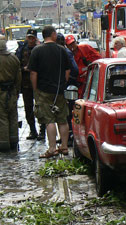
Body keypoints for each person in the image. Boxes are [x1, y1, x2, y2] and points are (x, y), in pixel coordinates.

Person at [28, 26, 71, 158]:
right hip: (59, 90)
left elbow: (33, 73)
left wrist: (35, 89)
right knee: (62, 119)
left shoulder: (36, 50)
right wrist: (63, 83)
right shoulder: (62, 50)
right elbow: (68, 70)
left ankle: (52, 148)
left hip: (43, 90)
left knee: (49, 120)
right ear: (52, 35)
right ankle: (64, 146)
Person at [15, 29, 46, 140]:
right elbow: (16, 64)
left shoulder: (40, 49)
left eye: (33, 37)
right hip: (26, 84)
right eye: (29, 37)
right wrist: (23, 69)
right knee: (28, 109)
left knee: (41, 108)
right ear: (27, 38)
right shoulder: (21, 49)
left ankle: (43, 131)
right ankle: (33, 131)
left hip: (39, 84)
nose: (31, 40)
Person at [56, 33, 79, 147]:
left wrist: (67, 79)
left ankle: (69, 136)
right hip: (66, 85)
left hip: (66, 86)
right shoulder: (66, 52)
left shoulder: (64, 53)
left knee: (68, 112)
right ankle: (66, 136)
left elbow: (75, 70)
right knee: (65, 112)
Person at [0, 35, 21, 150]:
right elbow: (19, 77)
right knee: (13, 116)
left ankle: (3, 143)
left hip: (1, 92)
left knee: (2, 117)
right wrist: (17, 90)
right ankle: (14, 140)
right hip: (12, 91)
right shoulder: (13, 58)